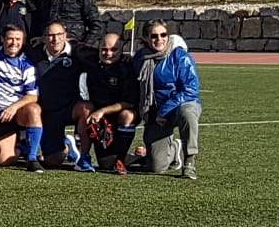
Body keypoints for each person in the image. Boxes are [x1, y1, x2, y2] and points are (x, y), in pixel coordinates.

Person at [140, 20, 202, 178]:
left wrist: (164, 110)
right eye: (154, 36)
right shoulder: (140, 58)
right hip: (155, 112)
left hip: (178, 106)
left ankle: (189, 161)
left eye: (163, 35)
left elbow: (191, 90)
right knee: (156, 167)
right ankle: (175, 149)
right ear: (146, 38)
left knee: (188, 111)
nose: (159, 39)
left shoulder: (179, 55)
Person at [30, 22, 92, 171]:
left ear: (65, 36)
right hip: (48, 112)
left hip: (69, 108)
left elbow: (100, 59)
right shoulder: (35, 54)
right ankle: (67, 145)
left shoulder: (77, 53)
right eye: (51, 35)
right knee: (53, 161)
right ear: (44, 37)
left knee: (86, 108)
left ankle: (84, 157)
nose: (55, 39)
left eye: (59, 35)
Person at [0, 26, 42, 170]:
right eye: (10, 38)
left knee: (34, 109)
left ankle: (32, 158)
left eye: (18, 39)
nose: (14, 43)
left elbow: (32, 96)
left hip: (18, 113)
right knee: (3, 160)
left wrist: (13, 107)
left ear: (23, 41)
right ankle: (22, 146)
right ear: (2, 39)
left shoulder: (27, 64)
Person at [82, 32, 139, 175]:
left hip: (119, 115)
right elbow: (72, 45)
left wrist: (102, 111)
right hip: (101, 120)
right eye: (104, 49)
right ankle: (140, 157)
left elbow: (129, 103)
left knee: (127, 115)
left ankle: (121, 159)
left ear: (121, 50)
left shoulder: (127, 68)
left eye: (114, 49)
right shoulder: (91, 60)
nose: (108, 53)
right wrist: (42, 38)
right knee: (106, 165)